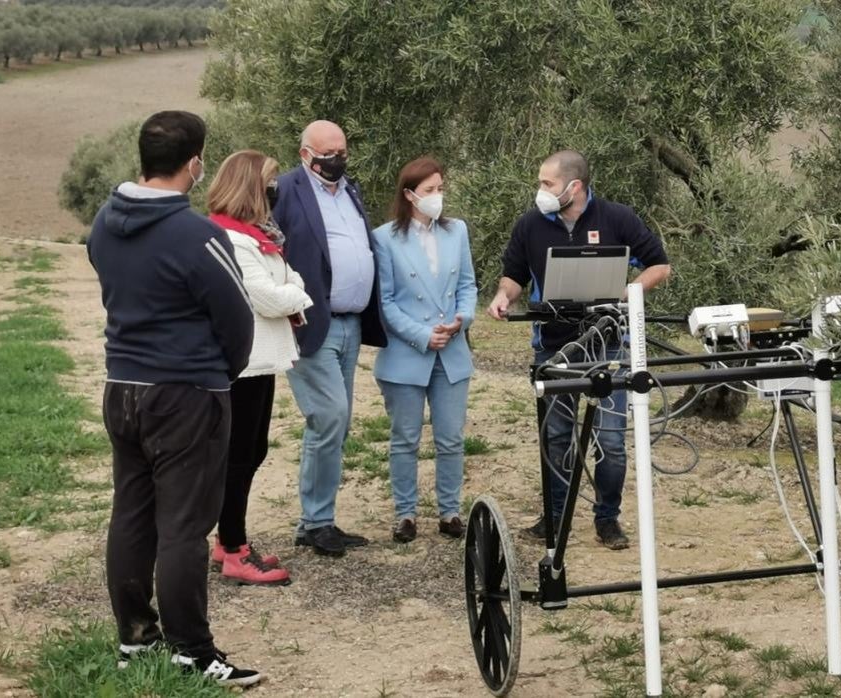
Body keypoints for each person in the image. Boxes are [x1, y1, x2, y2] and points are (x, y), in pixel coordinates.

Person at [86, 110, 261, 687]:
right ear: (195, 163)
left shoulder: (105, 223)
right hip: (186, 393)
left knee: (132, 516)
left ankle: (135, 639)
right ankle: (193, 650)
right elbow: (236, 321)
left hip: (123, 388)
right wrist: (221, 374)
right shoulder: (197, 234)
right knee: (185, 527)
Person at [486, 149, 671, 550]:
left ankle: (607, 519)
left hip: (608, 347)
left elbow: (659, 265)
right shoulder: (530, 225)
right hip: (552, 351)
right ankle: (556, 517)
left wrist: (627, 292)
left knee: (610, 441)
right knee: (557, 437)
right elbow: (513, 276)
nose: (540, 190)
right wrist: (504, 296)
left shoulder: (617, 218)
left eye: (546, 183)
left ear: (575, 187)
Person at [271, 120, 387, 557]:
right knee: (330, 417)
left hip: (351, 324)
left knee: (336, 424)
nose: (337, 159)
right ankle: (316, 521)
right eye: (328, 154)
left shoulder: (350, 191)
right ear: (306, 155)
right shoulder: (283, 192)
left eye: (342, 151)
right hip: (310, 323)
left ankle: (316, 520)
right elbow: (271, 251)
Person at [206, 150, 313, 586]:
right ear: (250, 186)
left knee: (253, 452)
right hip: (242, 363)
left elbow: (288, 281)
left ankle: (229, 539)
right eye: (270, 181)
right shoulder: (231, 238)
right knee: (238, 456)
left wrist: (290, 288)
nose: (276, 189)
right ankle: (233, 548)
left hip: (262, 358)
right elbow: (268, 297)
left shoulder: (257, 235)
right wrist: (296, 292)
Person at [371, 157, 477, 543]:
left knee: (450, 437)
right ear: (410, 194)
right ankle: (405, 513)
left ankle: (450, 511)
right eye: (430, 190)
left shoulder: (457, 231)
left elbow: (468, 284)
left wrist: (462, 319)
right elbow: (385, 301)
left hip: (451, 350)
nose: (438, 196)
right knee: (405, 438)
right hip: (406, 352)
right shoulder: (384, 238)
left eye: (441, 188)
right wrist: (420, 334)